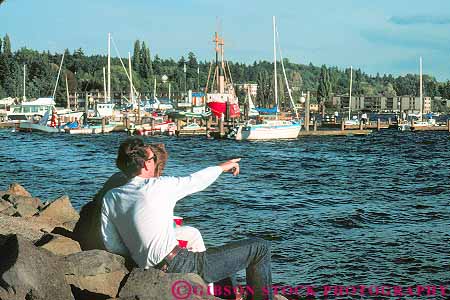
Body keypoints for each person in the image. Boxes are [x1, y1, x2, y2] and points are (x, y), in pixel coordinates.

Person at [101, 137, 273, 300]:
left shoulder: (111, 197)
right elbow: (196, 181)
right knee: (260, 248)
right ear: (146, 165)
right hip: (179, 264)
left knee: (202, 241)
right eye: (153, 158)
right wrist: (222, 167)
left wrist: (143, 252)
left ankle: (220, 293)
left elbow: (112, 244)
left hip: (149, 269)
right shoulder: (159, 186)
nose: (156, 161)